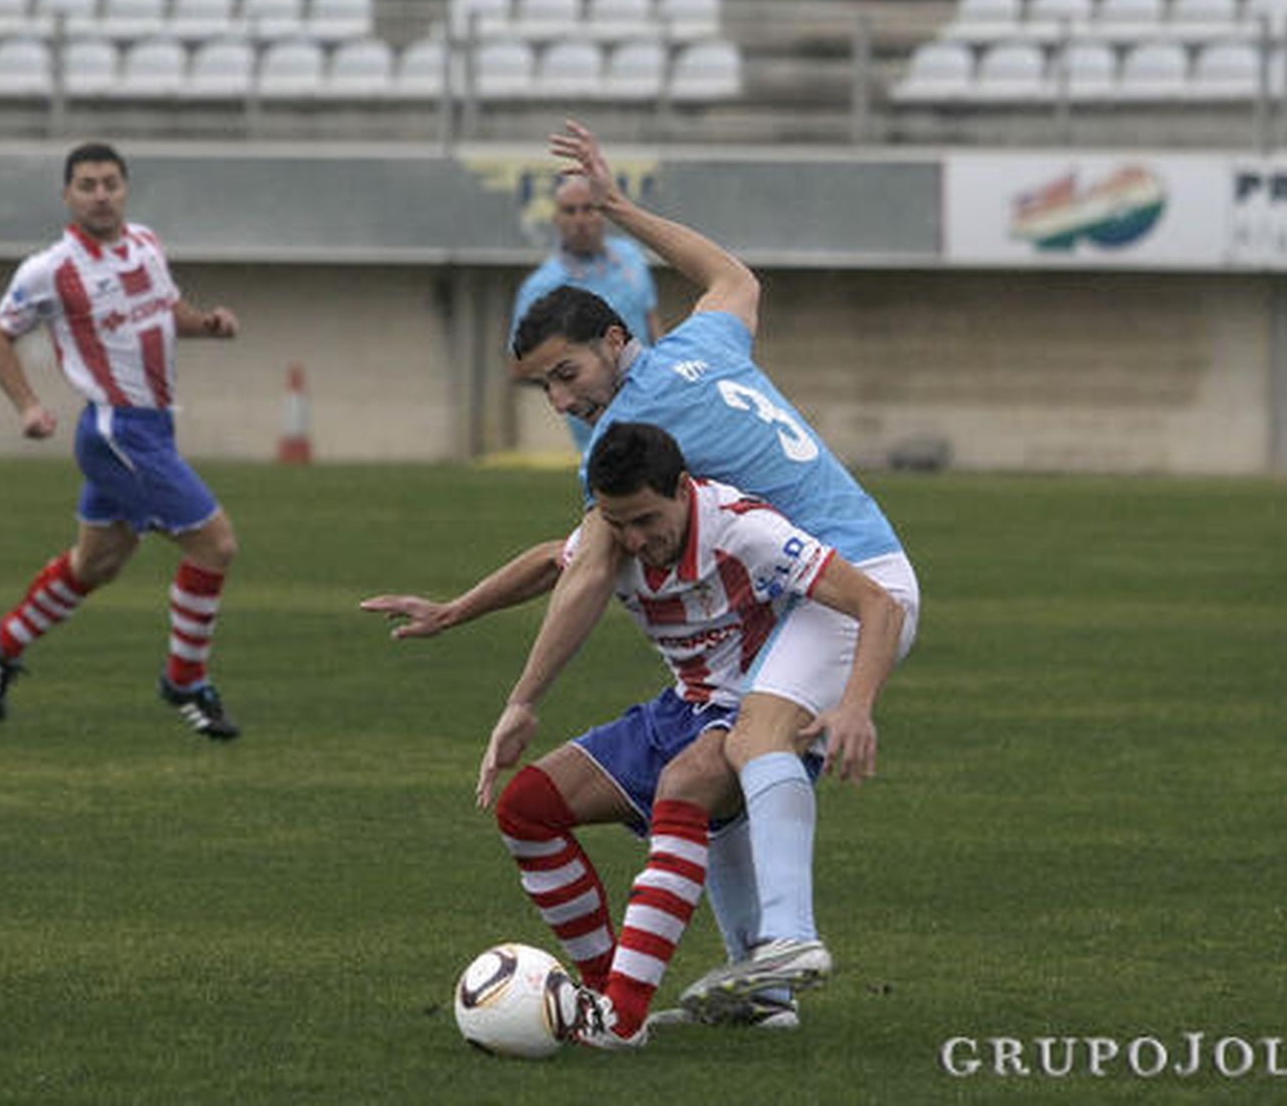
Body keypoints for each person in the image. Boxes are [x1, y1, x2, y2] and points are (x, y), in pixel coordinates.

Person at [374, 120, 922, 1027]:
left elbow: (584, 575)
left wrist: (521, 699)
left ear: (615, 342)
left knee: (751, 740)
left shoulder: (634, 432)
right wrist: (624, 208)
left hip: (850, 583)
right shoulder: (698, 353)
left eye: (567, 373)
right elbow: (735, 279)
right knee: (727, 774)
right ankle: (765, 990)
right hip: (854, 564)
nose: (562, 400)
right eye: (543, 387)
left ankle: (788, 938)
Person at [398, 421, 904, 1048]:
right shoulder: (614, 536)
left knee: (683, 787)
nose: (635, 540)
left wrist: (856, 707)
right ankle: (603, 991)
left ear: (683, 490)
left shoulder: (745, 531)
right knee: (526, 808)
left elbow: (879, 603)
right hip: (680, 709)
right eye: (618, 525)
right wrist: (452, 612)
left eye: (645, 520)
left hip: (751, 716)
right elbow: (549, 564)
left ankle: (621, 1017)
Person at [0, 142, 243, 741]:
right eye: (87, 184)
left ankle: (2, 640)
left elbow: (167, 310)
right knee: (215, 544)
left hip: (152, 425)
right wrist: (29, 405)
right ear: (67, 195)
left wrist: (209, 326)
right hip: (117, 429)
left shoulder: (145, 243)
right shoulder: (50, 269)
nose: (100, 194)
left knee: (95, 564)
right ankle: (185, 679)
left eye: (110, 183)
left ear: (124, 189)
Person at [509, 174, 662, 450]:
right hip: (599, 415)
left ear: (603, 213)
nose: (580, 219)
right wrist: (572, 376)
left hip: (652, 396)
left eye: (588, 208)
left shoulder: (631, 257)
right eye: (570, 210)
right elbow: (521, 366)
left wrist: (665, 368)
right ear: (556, 218)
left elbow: (651, 320)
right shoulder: (541, 286)